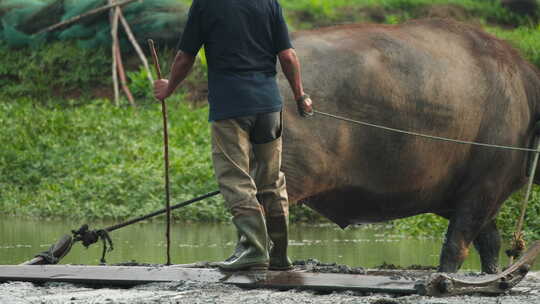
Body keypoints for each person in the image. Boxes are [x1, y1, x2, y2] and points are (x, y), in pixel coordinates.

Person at [153, 0, 313, 271]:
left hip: (231, 106)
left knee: (235, 177)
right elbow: (287, 56)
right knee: (271, 179)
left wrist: (169, 87)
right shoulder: (269, 3)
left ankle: (253, 248)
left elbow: (185, 57)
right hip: (269, 107)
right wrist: (300, 96)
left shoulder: (205, 5)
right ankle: (279, 254)